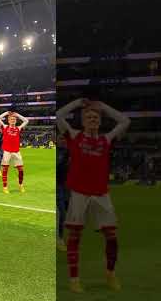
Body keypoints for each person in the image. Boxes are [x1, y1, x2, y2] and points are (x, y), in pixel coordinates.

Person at [56, 98, 130, 293]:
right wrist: (77, 103)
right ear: (82, 121)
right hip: (79, 193)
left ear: (100, 120)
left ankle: (110, 274)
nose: (92, 119)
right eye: (88, 117)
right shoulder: (74, 136)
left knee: (112, 237)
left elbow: (124, 121)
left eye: (95, 117)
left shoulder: (106, 139)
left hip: (101, 194)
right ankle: (74, 279)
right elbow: (58, 116)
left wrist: (103, 107)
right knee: (75, 236)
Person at [0, 111, 29, 193]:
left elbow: (26, 121)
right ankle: (5, 187)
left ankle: (21, 185)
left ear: (16, 120)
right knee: (5, 169)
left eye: (14, 119)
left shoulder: (18, 128)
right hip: (7, 151)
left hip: (16, 151)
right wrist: (6, 113)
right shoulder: (5, 127)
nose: (13, 120)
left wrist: (17, 114)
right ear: (8, 120)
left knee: (21, 169)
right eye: (11, 119)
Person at [56, 134, 69, 252]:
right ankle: (58, 238)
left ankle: (59, 237)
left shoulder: (68, 152)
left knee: (63, 214)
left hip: (63, 186)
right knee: (60, 213)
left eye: (64, 139)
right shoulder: (57, 153)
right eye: (60, 138)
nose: (63, 141)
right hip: (54, 187)